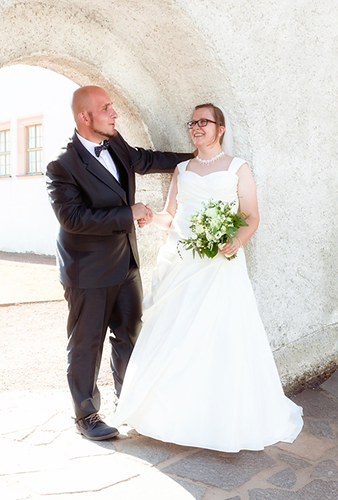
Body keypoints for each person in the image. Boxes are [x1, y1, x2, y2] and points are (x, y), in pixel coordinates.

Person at [110, 103, 303, 452]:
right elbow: (172, 217)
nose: (196, 127)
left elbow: (250, 216)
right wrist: (149, 217)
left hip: (219, 264)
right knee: (175, 333)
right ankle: (166, 415)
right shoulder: (182, 169)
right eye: (192, 123)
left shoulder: (238, 168)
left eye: (204, 122)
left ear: (221, 128)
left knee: (219, 335)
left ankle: (215, 417)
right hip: (181, 263)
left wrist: (235, 242)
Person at [45, 86, 193, 441]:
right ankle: (86, 415)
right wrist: (128, 213)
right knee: (87, 342)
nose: (115, 113)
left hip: (125, 262)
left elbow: (144, 160)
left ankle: (128, 402)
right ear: (85, 116)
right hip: (87, 269)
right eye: (106, 108)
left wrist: (195, 158)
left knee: (129, 334)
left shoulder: (116, 142)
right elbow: (74, 219)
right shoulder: (61, 166)